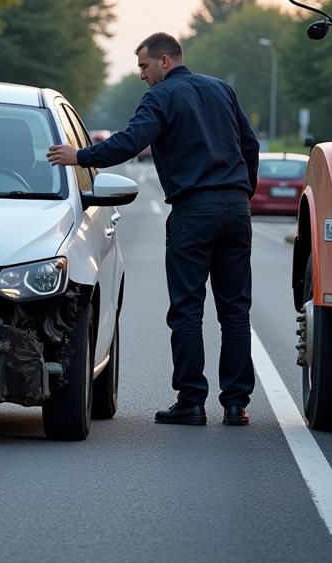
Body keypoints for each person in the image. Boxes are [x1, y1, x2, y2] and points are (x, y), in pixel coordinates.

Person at [46, 32, 260, 427]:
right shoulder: (222, 90)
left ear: (165, 61)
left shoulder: (161, 97)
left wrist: (81, 156)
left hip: (194, 211)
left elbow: (131, 141)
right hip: (236, 210)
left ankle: (192, 402)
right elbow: (249, 144)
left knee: (187, 310)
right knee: (235, 311)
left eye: (144, 66)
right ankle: (236, 404)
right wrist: (245, 191)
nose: (142, 74)